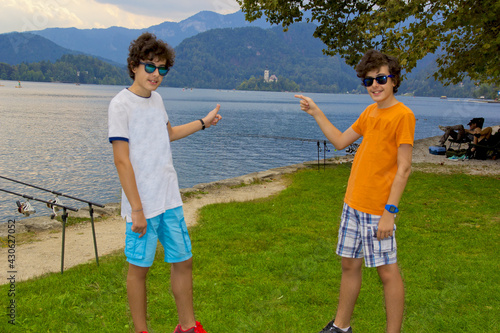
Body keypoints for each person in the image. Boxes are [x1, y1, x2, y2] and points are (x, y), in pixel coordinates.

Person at [108, 32, 221, 333]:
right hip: (142, 205)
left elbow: (167, 134)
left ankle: (187, 326)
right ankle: (141, 330)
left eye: (162, 69)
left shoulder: (157, 100)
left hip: (169, 199)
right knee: (139, 269)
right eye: (150, 66)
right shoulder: (120, 105)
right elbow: (122, 160)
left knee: (183, 261)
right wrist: (136, 209)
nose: (156, 74)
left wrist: (203, 123)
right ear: (134, 65)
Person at [295, 49, 415, 333]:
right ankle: (341, 326)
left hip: (378, 209)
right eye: (369, 81)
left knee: (388, 273)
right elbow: (339, 141)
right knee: (349, 266)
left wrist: (390, 212)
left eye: (381, 79)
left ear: (394, 80)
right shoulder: (369, 112)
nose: (375, 85)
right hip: (353, 204)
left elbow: (404, 168)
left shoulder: (403, 115)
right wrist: (316, 112)